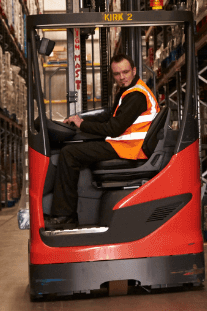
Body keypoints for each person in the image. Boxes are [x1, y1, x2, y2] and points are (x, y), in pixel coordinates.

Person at [46, 54, 160, 228]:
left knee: (69, 153)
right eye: (117, 74)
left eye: (125, 72)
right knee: (77, 148)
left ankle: (65, 216)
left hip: (131, 149)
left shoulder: (136, 96)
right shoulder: (129, 90)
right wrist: (80, 118)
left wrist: (82, 125)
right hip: (125, 145)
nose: (121, 77)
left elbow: (113, 128)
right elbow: (109, 115)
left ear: (134, 71)